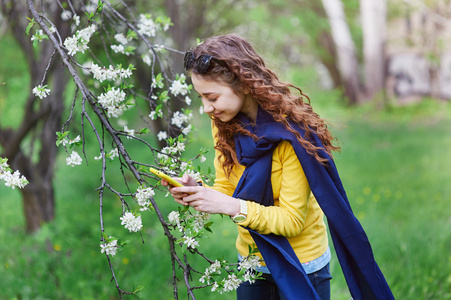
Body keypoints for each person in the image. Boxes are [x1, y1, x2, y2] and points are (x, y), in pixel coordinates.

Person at [162, 34, 394, 300]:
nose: (206, 108)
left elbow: (291, 221)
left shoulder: (291, 136)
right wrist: (199, 192)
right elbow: (229, 188)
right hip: (251, 260)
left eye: (212, 97)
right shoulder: (224, 124)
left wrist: (230, 206)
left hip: (303, 263)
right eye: (201, 98)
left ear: (244, 85)